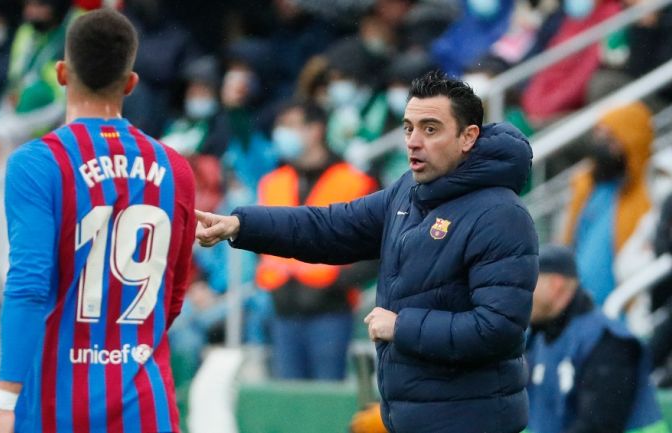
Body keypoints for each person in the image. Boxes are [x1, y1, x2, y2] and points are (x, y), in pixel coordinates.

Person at [196, 71, 538, 433]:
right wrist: (242, 225)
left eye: (431, 129)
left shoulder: (501, 215)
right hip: (412, 418)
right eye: (409, 128)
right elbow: (330, 226)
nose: (414, 142)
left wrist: (401, 325)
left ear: (468, 136)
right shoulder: (407, 191)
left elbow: (497, 327)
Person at [0, 9, 196, 433]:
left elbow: (28, 284)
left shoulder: (36, 163)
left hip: (56, 408)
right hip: (145, 405)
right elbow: (173, 295)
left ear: (62, 73)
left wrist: (4, 403)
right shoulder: (176, 169)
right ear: (131, 83)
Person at [260, 101, 378, 380]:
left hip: (330, 310)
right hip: (283, 308)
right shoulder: (273, 181)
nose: (282, 133)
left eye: (291, 125)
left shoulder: (354, 181)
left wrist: (338, 281)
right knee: (289, 405)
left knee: (326, 402)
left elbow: (376, 247)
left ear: (315, 130)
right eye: (280, 126)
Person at [526, 245, 667, 433]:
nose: (517, 294)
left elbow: (599, 426)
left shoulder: (609, 341)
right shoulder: (538, 337)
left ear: (555, 284)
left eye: (526, 284)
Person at [562, 102, 654, 306]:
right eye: (599, 136)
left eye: (611, 138)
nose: (601, 145)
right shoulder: (586, 186)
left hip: (618, 313)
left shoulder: (649, 196)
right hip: (577, 308)